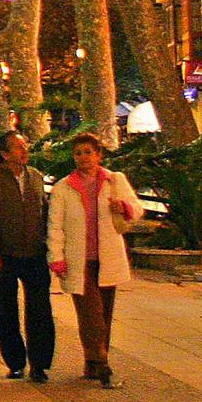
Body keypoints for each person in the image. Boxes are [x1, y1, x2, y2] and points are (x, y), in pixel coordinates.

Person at [49, 133, 142, 388]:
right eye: (78, 153)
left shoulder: (114, 181)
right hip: (79, 260)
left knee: (105, 312)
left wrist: (124, 208)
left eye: (88, 152)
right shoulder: (63, 188)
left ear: (98, 155)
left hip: (107, 258)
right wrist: (56, 257)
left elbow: (137, 207)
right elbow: (55, 226)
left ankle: (93, 362)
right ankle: (102, 363)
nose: (83, 158)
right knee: (91, 313)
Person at [0, 130, 55, 382]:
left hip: (35, 254)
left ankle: (39, 364)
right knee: (6, 310)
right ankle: (15, 362)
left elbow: (46, 214)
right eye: (18, 147)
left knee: (40, 309)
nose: (24, 150)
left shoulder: (36, 178)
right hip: (4, 255)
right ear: (5, 154)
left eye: (24, 146)